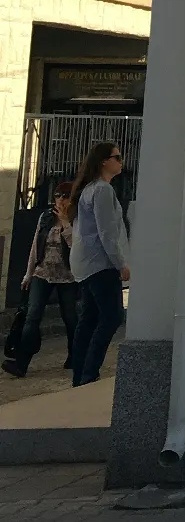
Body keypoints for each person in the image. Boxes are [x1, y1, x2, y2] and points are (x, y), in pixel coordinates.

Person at [66, 141, 129, 388]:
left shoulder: (89, 189)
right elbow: (107, 232)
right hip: (100, 263)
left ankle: (80, 375)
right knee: (111, 316)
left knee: (89, 318)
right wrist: (120, 262)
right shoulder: (102, 190)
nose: (121, 162)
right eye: (117, 157)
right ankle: (89, 373)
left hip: (86, 263)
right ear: (104, 161)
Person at [2, 183, 79, 378]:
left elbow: (76, 246)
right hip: (42, 272)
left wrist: (65, 224)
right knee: (32, 315)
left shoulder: (77, 219)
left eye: (65, 196)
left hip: (67, 276)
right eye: (58, 195)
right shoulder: (45, 217)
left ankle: (75, 355)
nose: (61, 199)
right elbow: (36, 247)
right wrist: (28, 274)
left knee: (70, 317)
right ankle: (21, 363)